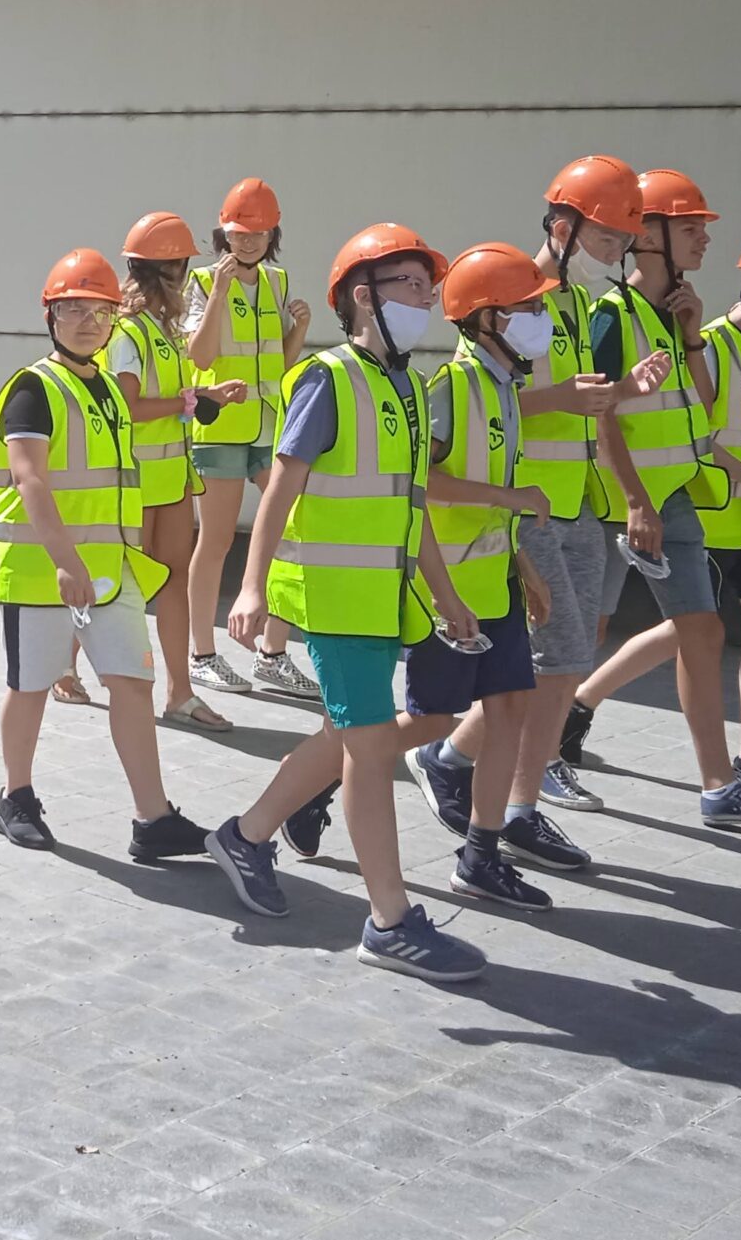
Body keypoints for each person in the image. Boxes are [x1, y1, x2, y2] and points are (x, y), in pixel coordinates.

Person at [206, 223, 489, 984]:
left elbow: (412, 506)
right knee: (367, 749)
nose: (426, 299)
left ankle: (245, 836)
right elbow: (281, 488)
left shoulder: (406, 388)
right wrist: (251, 586)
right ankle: (391, 922)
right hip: (335, 602)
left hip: (382, 603)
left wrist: (447, 594)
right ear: (364, 296)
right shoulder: (328, 379)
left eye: (429, 286)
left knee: (345, 737)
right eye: (411, 286)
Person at [401, 157, 668, 868]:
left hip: (571, 501)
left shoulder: (572, 305)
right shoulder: (508, 300)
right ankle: (505, 798)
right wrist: (564, 404)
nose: (617, 253)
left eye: (624, 240)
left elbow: (582, 402)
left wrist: (624, 390)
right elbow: (490, 398)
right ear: (562, 226)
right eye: (607, 238)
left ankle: (467, 772)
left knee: (565, 659)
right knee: (551, 661)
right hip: (526, 509)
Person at [563, 225, 741, 802]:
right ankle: (576, 706)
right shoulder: (708, 338)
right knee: (683, 630)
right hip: (702, 506)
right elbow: (699, 430)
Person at [0, 249, 211, 862]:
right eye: (74, 310)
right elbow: (30, 479)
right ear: (50, 316)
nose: (88, 322)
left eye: (100, 311)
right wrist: (66, 561)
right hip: (42, 573)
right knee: (30, 687)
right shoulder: (32, 388)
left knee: (133, 684)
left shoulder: (109, 389)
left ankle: (153, 818)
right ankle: (15, 797)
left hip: (111, 572)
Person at [397, 244, 561, 913]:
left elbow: (492, 499)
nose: (541, 319)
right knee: (430, 720)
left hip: (496, 586)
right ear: (488, 319)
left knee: (510, 709)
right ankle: (323, 777)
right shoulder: (452, 387)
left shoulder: (503, 388)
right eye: (528, 308)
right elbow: (421, 484)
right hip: (451, 594)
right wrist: (510, 500)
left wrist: (524, 566)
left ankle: (480, 858)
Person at [181, 177, 320, 704]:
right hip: (219, 427)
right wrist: (218, 294)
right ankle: (202, 655)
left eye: (258, 233)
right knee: (215, 541)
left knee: (294, 529)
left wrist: (299, 331)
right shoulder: (201, 281)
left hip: (269, 426)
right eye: (240, 232)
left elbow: (279, 366)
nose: (248, 242)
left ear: (272, 235)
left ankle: (272, 653)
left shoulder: (278, 282)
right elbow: (200, 356)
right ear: (224, 232)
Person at [108, 213, 228, 731]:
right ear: (171, 271)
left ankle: (180, 693)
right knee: (122, 585)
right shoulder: (127, 332)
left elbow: (169, 399)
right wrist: (186, 402)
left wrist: (204, 396)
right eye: (183, 266)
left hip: (173, 479)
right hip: (135, 484)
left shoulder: (166, 330)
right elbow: (130, 407)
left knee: (171, 581)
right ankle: (70, 666)